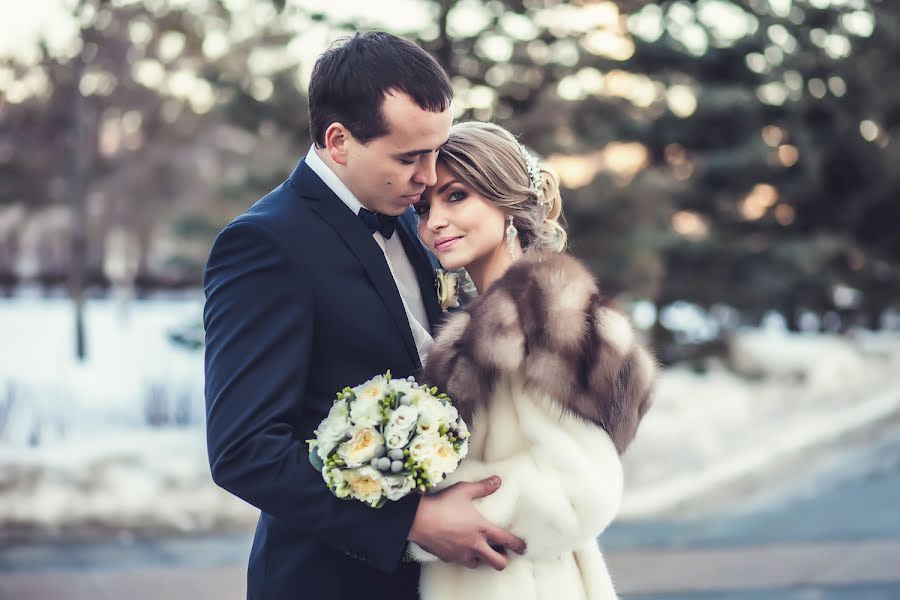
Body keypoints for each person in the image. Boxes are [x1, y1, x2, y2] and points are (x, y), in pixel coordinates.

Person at [203, 34, 524, 600]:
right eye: (409, 157)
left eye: (436, 149)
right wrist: (409, 523)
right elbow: (244, 450)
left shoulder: (413, 221)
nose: (429, 176)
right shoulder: (265, 244)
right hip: (327, 582)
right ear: (338, 141)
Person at [409, 121, 658, 599]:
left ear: (505, 200)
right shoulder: (484, 321)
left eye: (456, 196)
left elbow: (578, 488)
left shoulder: (533, 318)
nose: (433, 221)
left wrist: (427, 506)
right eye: (424, 207)